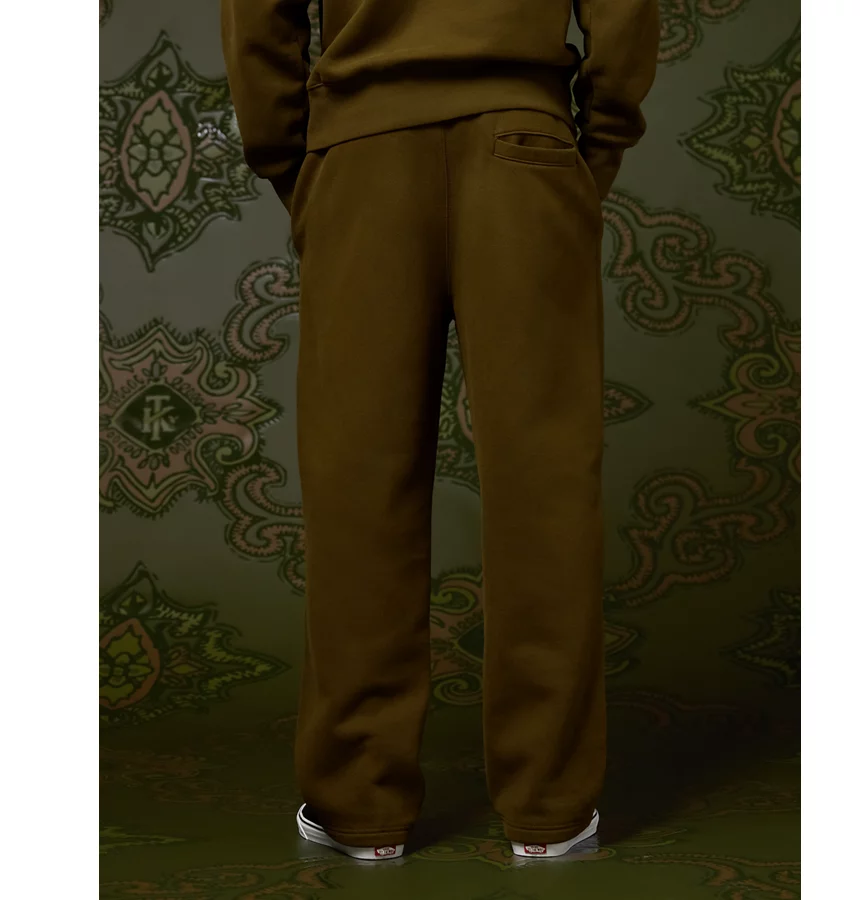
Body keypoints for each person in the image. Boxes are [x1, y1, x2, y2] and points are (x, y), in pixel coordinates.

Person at [220, 0, 659, 861]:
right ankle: (551, 807)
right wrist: (591, 149)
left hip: (360, 153)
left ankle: (360, 806)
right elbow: (625, 13)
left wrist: (296, 160)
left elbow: (259, 19)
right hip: (527, 149)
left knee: (359, 483)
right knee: (546, 484)